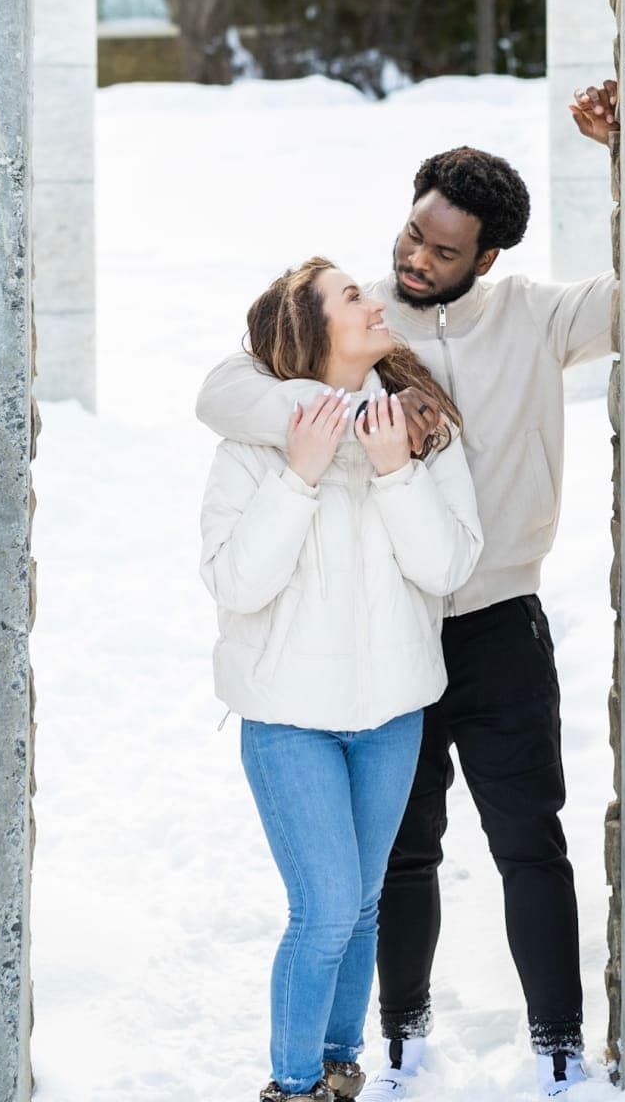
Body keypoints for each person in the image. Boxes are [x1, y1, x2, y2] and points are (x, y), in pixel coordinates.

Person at [196, 84, 618, 1100]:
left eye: (439, 249)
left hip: (490, 624)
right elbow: (225, 385)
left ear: (486, 256)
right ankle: (388, 1038)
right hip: (391, 642)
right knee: (393, 866)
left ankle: (557, 1040)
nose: (411, 260)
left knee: (527, 836)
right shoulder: (362, 349)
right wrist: (324, 421)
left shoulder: (520, 325)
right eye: (409, 234)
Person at [199, 257, 483, 1102]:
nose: (375, 302)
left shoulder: (422, 430)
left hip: (391, 714)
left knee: (360, 909)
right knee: (324, 909)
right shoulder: (252, 449)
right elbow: (235, 584)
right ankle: (292, 1088)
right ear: (314, 334)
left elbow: (446, 566)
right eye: (352, 297)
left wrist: (397, 472)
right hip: (289, 720)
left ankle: (335, 1065)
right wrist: (302, 474)